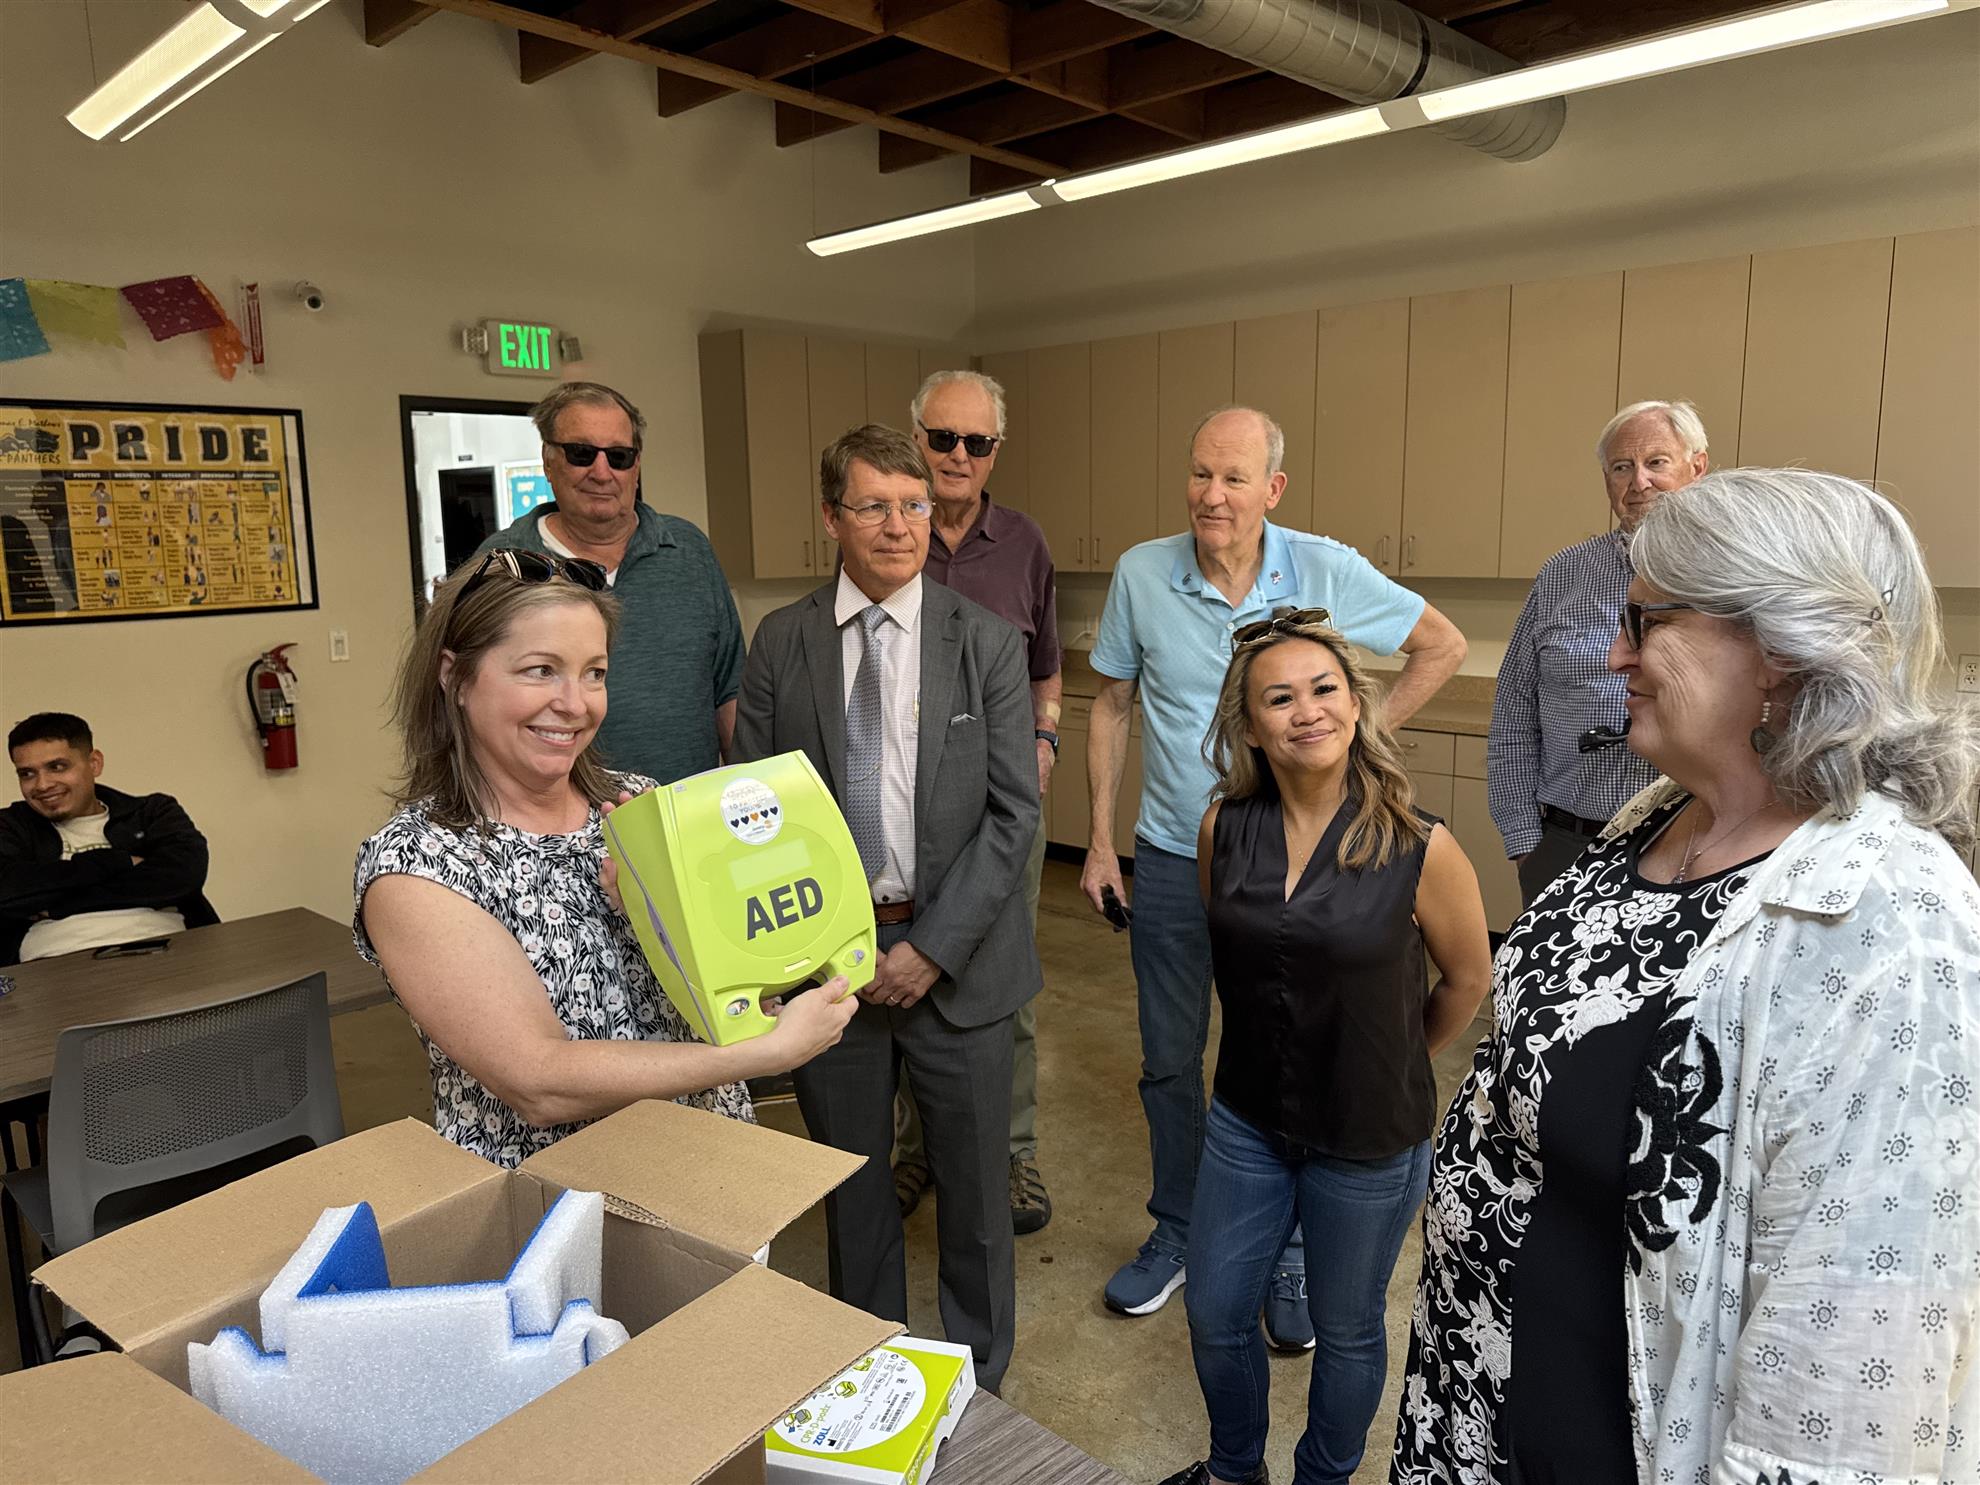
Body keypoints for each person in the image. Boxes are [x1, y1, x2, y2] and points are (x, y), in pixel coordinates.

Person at [1393, 469, 1980, 1484]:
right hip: (1478, 1407)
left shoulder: (1891, 926)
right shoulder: (1663, 812)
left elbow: (1846, 1389)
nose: (1614, 654)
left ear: (1781, 648)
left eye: (1647, 621)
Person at [1083, 406, 1468, 1340]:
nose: (1212, 494)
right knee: (1171, 1058)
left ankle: (1293, 1254)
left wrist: (1353, 745)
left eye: (1235, 477)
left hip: (1310, 863)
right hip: (1176, 852)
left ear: (1273, 488)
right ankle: (1179, 1227)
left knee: (1302, 1057)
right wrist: (1097, 838)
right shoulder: (1142, 572)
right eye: (1200, 473)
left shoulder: (1323, 568)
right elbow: (1112, 703)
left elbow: (1443, 644)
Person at [354, 547, 857, 1169]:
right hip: (557, 1202)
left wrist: (679, 930)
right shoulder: (417, 865)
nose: (576, 703)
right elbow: (539, 1081)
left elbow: (727, 988)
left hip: (714, 1170)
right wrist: (762, 1054)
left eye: (594, 673)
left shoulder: (637, 804)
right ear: (455, 677)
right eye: (541, 670)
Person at [734, 424, 1040, 1395]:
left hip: (961, 963)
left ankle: (979, 1388)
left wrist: (933, 948)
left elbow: (1014, 814)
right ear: (833, 517)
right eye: (874, 506)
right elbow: (754, 816)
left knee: (977, 1200)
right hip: (831, 970)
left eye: (914, 505)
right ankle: (868, 1376)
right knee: (854, 1191)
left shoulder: (983, 640)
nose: (900, 525)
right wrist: (836, 951)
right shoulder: (782, 641)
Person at [1158, 613, 1491, 1485]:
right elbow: (1238, 956)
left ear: (1355, 704)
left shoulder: (1420, 844)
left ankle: (1324, 1477)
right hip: (1247, 1118)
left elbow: (1467, 979)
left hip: (1368, 1135)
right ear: (1249, 726)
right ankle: (1235, 1469)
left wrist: (1392, 1056)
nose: (1307, 710)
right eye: (1279, 698)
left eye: (1323, 689)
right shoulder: (1222, 828)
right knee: (1215, 1310)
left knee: (1346, 1329)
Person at [890, 369, 1062, 1235]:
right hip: (901, 812)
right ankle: (915, 1147)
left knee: (1002, 985)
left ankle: (1013, 1151)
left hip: (1002, 810)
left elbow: (1046, 670)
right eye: (942, 437)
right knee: (900, 979)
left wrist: (1046, 739)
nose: (957, 455)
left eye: (977, 441)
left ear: (998, 449)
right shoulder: (889, 532)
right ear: (916, 437)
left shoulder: (1025, 543)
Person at [1487, 399, 1711, 906]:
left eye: (1657, 462)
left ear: (1697, 468)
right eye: (1621, 468)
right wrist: (1525, 843)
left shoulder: (1734, 577)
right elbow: (1513, 714)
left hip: (1689, 847)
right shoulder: (1563, 574)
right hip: (1566, 844)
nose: (1639, 482)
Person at [471, 381, 745, 787]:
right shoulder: (504, 563)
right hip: (552, 818)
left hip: (685, 812)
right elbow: (467, 705)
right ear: (548, 461)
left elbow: (730, 693)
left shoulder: (689, 550)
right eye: (581, 454)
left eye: (619, 457)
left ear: (636, 466)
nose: (602, 473)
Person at [1, 712, 217, 965]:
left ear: (94, 763)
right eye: (27, 773)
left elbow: (183, 874)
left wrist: (58, 905)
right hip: (52, 965)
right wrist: (118, 862)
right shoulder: (10, 826)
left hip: (167, 951)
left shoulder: (152, 812)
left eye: (57, 767)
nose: (42, 785)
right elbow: (7, 891)